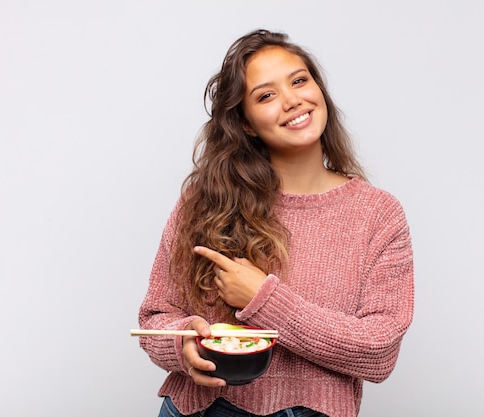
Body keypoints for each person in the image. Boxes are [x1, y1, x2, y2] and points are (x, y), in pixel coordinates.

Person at [138, 29, 414, 417]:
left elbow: (379, 351)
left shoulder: (377, 214)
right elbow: (154, 317)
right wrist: (183, 346)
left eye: (299, 81)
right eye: (266, 95)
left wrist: (262, 300)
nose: (291, 100)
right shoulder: (204, 201)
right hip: (204, 408)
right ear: (246, 123)